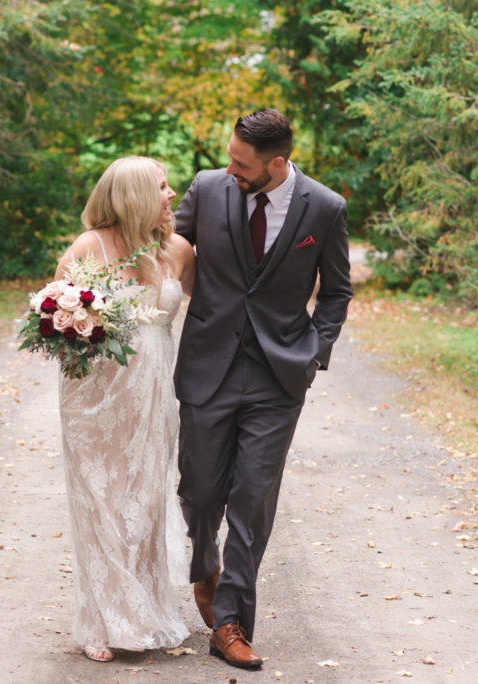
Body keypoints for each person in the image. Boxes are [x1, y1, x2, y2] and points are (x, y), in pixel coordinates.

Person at [173, 109, 353, 669]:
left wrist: (313, 351)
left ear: (277, 163)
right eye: (229, 155)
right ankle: (205, 566)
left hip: (278, 376)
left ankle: (230, 623)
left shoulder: (323, 208)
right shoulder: (207, 188)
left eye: (241, 162)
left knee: (253, 499)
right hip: (208, 365)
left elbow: (337, 291)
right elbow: (162, 250)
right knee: (200, 494)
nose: (229, 168)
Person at [55, 156, 196, 663]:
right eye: (161, 186)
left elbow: (212, 315)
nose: (171, 194)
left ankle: (146, 611)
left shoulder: (178, 250)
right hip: (95, 395)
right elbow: (58, 320)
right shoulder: (88, 248)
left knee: (145, 497)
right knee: (101, 500)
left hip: (155, 393)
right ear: (135, 195)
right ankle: (101, 620)